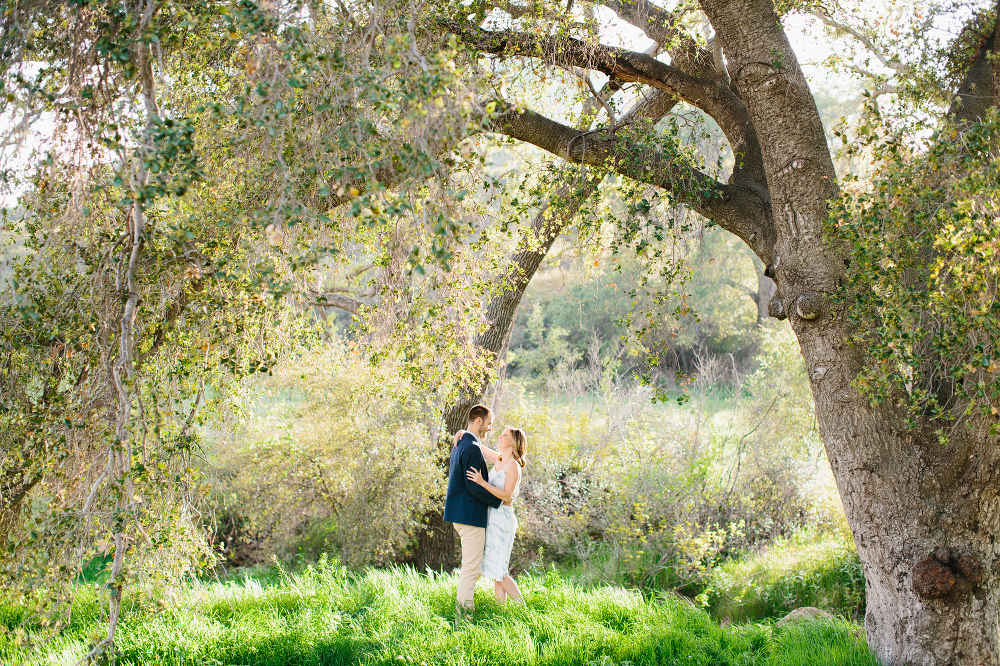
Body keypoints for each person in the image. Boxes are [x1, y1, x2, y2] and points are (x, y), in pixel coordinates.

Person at [442, 404, 502, 620]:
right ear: (479, 421)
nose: (489, 429)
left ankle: (463, 613)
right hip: (470, 517)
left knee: (470, 569)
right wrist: (499, 501)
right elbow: (474, 486)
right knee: (470, 570)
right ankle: (464, 617)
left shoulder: (460, 443)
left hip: (460, 514)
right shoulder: (472, 447)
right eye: (489, 424)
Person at [464, 426, 526, 604]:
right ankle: (501, 612)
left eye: (504, 435)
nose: (499, 436)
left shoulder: (513, 466)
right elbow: (478, 447)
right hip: (492, 518)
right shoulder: (499, 459)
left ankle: (523, 608)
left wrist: (482, 483)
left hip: (503, 520)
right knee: (495, 572)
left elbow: (507, 495)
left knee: (500, 572)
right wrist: (464, 434)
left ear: (513, 442)